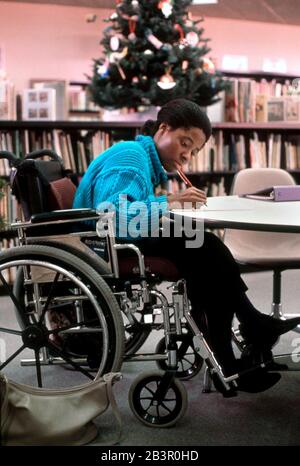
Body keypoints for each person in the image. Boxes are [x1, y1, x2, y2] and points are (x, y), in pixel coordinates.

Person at [73, 98, 300, 394]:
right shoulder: (130, 156)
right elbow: (114, 217)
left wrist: (168, 206)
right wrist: (170, 201)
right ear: (163, 129)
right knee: (204, 249)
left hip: (116, 240)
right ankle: (240, 341)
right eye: (184, 143)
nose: (187, 155)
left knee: (206, 247)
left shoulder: (141, 159)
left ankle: (243, 336)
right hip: (105, 246)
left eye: (193, 151)